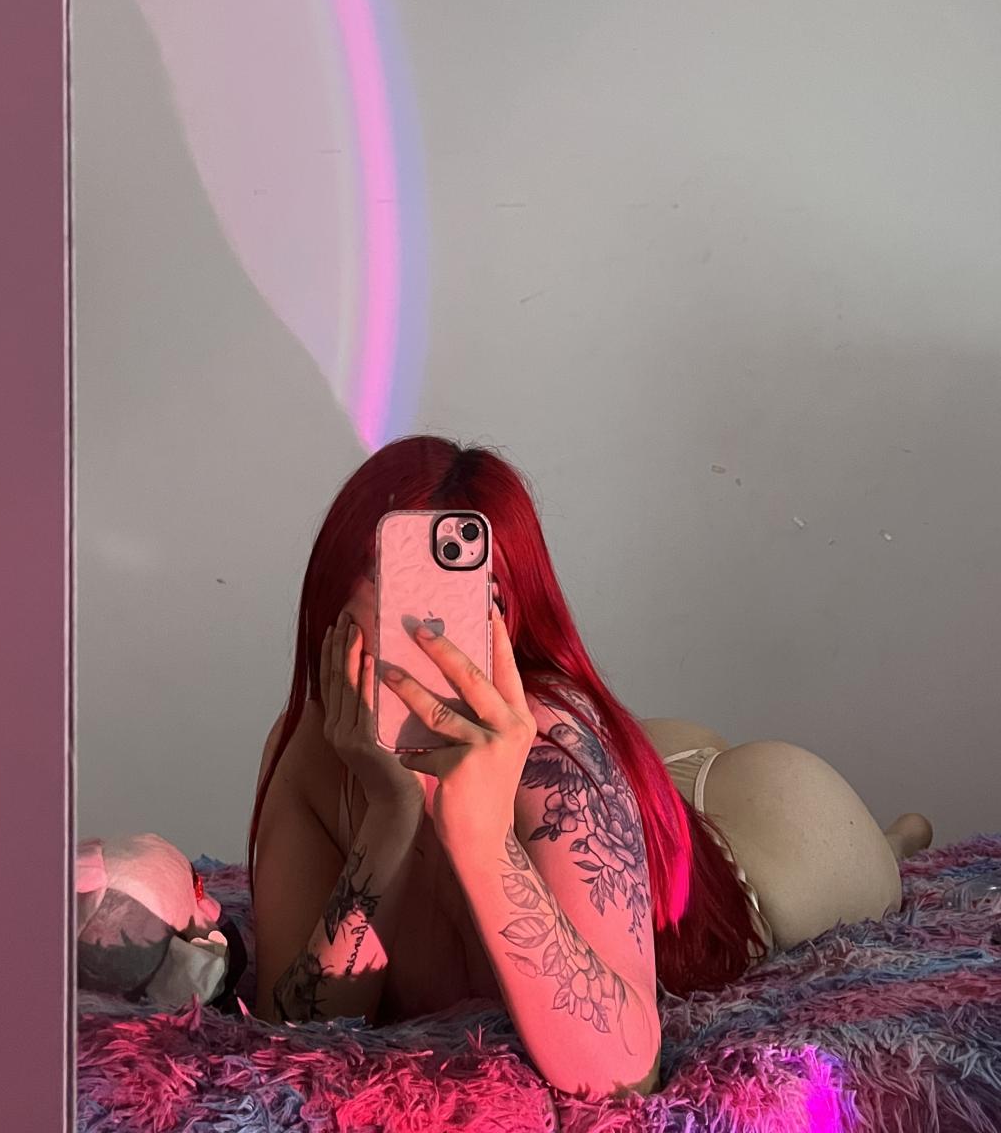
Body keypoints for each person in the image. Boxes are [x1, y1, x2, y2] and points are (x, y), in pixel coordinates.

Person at [248, 437, 931, 1100]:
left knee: (872, 864)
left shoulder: (552, 748)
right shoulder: (311, 748)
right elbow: (298, 1034)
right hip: (638, 776)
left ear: (506, 611)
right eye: (397, 583)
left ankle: (899, 838)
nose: (428, 628)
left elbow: (624, 1072)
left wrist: (483, 839)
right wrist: (389, 815)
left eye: (464, 595)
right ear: (333, 598)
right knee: (626, 764)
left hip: (763, 832)